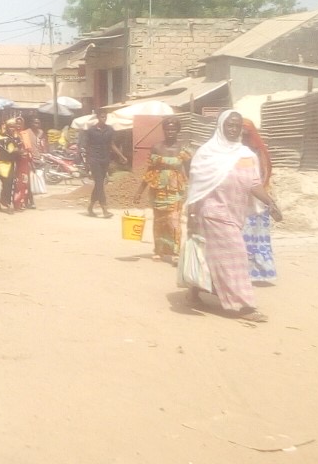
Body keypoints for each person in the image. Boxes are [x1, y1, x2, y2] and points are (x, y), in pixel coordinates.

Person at [184, 110, 283, 323]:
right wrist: (191, 213)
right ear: (220, 126)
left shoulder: (246, 155)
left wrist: (270, 203)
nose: (233, 129)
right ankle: (243, 305)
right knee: (236, 255)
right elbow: (196, 187)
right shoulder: (206, 153)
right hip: (212, 213)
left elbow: (253, 183)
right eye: (229, 125)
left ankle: (194, 291)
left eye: (237, 126)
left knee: (211, 256)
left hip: (235, 214)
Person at [136, 116, 193, 263]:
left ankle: (175, 251)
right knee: (159, 220)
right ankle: (159, 250)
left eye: (173, 129)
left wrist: (193, 189)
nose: (170, 131)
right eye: (167, 129)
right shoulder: (157, 147)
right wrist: (140, 191)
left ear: (178, 130)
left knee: (174, 220)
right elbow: (150, 170)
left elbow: (190, 170)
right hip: (158, 189)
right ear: (164, 130)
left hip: (176, 190)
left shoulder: (183, 148)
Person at [241, 118, 277, 282]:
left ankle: (261, 272)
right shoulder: (233, 152)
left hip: (257, 199)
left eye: (246, 132)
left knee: (258, 238)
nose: (242, 136)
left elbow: (262, 177)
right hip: (240, 200)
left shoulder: (258, 153)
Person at [81, 107, 128, 217]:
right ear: (98, 117)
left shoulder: (110, 130)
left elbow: (112, 144)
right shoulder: (91, 131)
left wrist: (122, 156)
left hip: (105, 159)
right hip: (94, 159)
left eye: (105, 117)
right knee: (99, 184)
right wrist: (87, 162)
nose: (104, 118)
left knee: (99, 184)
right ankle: (105, 209)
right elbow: (87, 147)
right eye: (102, 116)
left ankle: (90, 207)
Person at [0, 120, 21, 211]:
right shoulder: (1, 138)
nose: (12, 128)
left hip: (11, 164)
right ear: (7, 127)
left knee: (8, 184)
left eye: (14, 127)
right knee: (7, 184)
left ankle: (2, 202)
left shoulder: (16, 138)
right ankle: (8, 204)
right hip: (2, 164)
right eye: (10, 127)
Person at [13, 116, 35, 209]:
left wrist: (31, 162)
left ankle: (28, 201)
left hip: (24, 161)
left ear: (23, 124)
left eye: (20, 123)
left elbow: (28, 148)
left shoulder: (25, 134)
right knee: (17, 182)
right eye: (17, 123)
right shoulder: (12, 133)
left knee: (26, 182)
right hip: (14, 161)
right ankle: (17, 202)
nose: (18, 125)